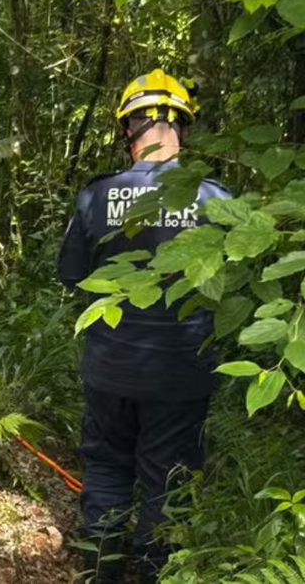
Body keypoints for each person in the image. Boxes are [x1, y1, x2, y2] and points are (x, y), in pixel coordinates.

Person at [57, 70, 231, 583]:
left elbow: (72, 275)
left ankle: (103, 570)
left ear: (128, 128)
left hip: (112, 364)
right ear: (182, 127)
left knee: (108, 465)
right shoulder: (216, 198)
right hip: (182, 371)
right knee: (167, 477)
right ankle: (157, 574)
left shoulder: (97, 195)